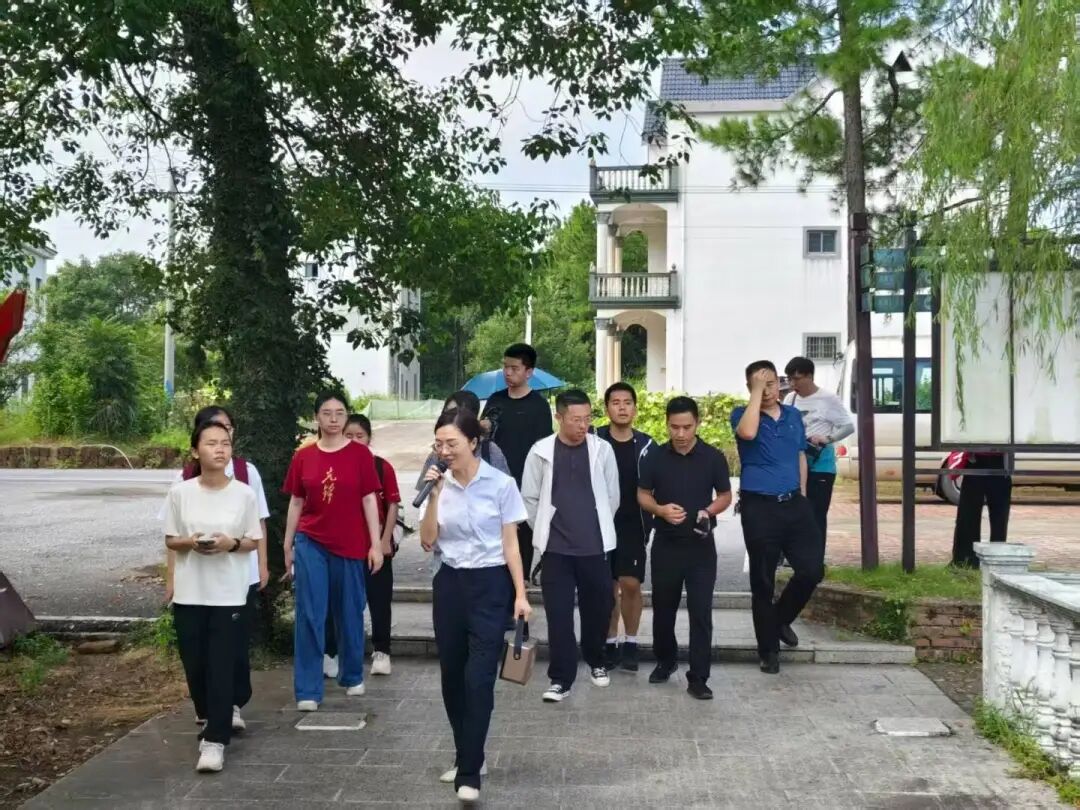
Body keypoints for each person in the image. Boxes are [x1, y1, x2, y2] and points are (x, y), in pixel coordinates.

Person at [419, 409, 531, 804]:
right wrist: (434, 496)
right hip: (450, 583)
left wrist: (520, 594)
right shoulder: (437, 483)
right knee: (452, 676)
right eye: (438, 444)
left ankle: (469, 772)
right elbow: (428, 541)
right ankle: (467, 752)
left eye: (451, 443)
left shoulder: (500, 484)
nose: (444, 450)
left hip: (490, 584)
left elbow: (511, 545)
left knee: (479, 678)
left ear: (472, 442)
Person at [161, 406, 270, 730]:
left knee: (228, 655)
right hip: (192, 587)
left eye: (226, 439)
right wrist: (180, 562)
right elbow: (171, 538)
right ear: (196, 448)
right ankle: (210, 710)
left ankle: (221, 725)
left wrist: (245, 553)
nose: (220, 447)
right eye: (212, 441)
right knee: (196, 658)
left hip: (234, 584)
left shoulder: (245, 483)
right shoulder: (181, 488)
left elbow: (257, 530)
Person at [282, 393, 384, 711]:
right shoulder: (304, 456)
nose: (334, 419)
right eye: (327, 413)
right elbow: (296, 501)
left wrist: (376, 544)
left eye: (340, 412)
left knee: (350, 611)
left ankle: (351, 674)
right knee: (310, 613)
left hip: (351, 543)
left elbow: (369, 499)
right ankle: (308, 689)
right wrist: (287, 544)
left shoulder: (360, 455)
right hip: (311, 541)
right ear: (317, 417)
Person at [521, 389, 619, 702]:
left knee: (599, 608)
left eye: (587, 419)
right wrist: (545, 529)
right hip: (556, 551)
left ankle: (596, 659)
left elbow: (613, 496)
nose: (582, 425)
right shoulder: (540, 451)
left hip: (595, 547)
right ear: (559, 418)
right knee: (559, 615)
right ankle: (560, 678)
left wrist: (597, 524)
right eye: (576, 419)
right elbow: (529, 498)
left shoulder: (602, 449)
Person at [732, 361, 825, 675]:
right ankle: (768, 650)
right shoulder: (741, 415)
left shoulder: (793, 416)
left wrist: (803, 496)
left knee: (811, 570)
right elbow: (747, 432)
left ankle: (780, 619)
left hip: (794, 503)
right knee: (763, 580)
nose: (767, 390)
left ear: (779, 383)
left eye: (771, 383)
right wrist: (756, 394)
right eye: (759, 385)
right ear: (750, 389)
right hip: (759, 508)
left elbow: (800, 456)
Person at [638, 396, 732, 700]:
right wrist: (660, 510)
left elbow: (725, 495)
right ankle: (665, 661)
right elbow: (642, 493)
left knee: (700, 612)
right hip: (666, 545)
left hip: (700, 547)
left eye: (687, 427)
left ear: (697, 424)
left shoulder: (713, 457)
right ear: (666, 424)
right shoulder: (655, 456)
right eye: (674, 427)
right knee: (663, 609)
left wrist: (708, 511)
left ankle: (699, 676)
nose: (680, 434)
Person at [322, 415, 401, 678]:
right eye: (349, 436)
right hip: (342, 548)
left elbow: (392, 505)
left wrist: (384, 541)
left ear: (369, 438)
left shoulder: (381, 467)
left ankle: (382, 651)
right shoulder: (332, 467)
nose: (355, 441)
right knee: (336, 602)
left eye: (360, 436)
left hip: (375, 547)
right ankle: (332, 652)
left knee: (379, 601)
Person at [480, 343, 554, 581]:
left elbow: (545, 449)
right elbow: (479, 442)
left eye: (514, 368)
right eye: (505, 367)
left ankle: (520, 594)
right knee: (493, 547)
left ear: (529, 371)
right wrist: (482, 428)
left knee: (520, 548)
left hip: (525, 487)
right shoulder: (495, 400)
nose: (508, 372)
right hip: (493, 486)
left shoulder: (539, 406)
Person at [596, 382, 655, 672]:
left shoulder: (647, 445)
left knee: (631, 583)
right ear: (606, 408)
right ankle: (610, 642)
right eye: (615, 402)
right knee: (607, 587)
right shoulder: (594, 440)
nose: (622, 408)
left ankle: (631, 642)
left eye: (627, 402)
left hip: (634, 523)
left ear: (635, 408)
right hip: (599, 523)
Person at [783, 356, 854, 544]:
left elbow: (848, 427)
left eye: (796, 379)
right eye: (790, 379)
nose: (793, 384)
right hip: (796, 463)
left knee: (816, 514)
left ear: (809, 376)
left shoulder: (828, 399)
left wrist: (827, 438)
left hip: (820, 464)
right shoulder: (790, 399)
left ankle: (816, 556)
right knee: (796, 512)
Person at [415, 390, 511, 490]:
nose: (453, 417)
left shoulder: (490, 450)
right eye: (449, 412)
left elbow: (505, 489)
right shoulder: (438, 454)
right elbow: (423, 492)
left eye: (452, 444)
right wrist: (434, 494)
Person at [951, 451, 1012, 568]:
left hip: (999, 459)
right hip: (975, 457)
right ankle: (965, 560)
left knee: (999, 517)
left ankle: (996, 559)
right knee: (968, 514)